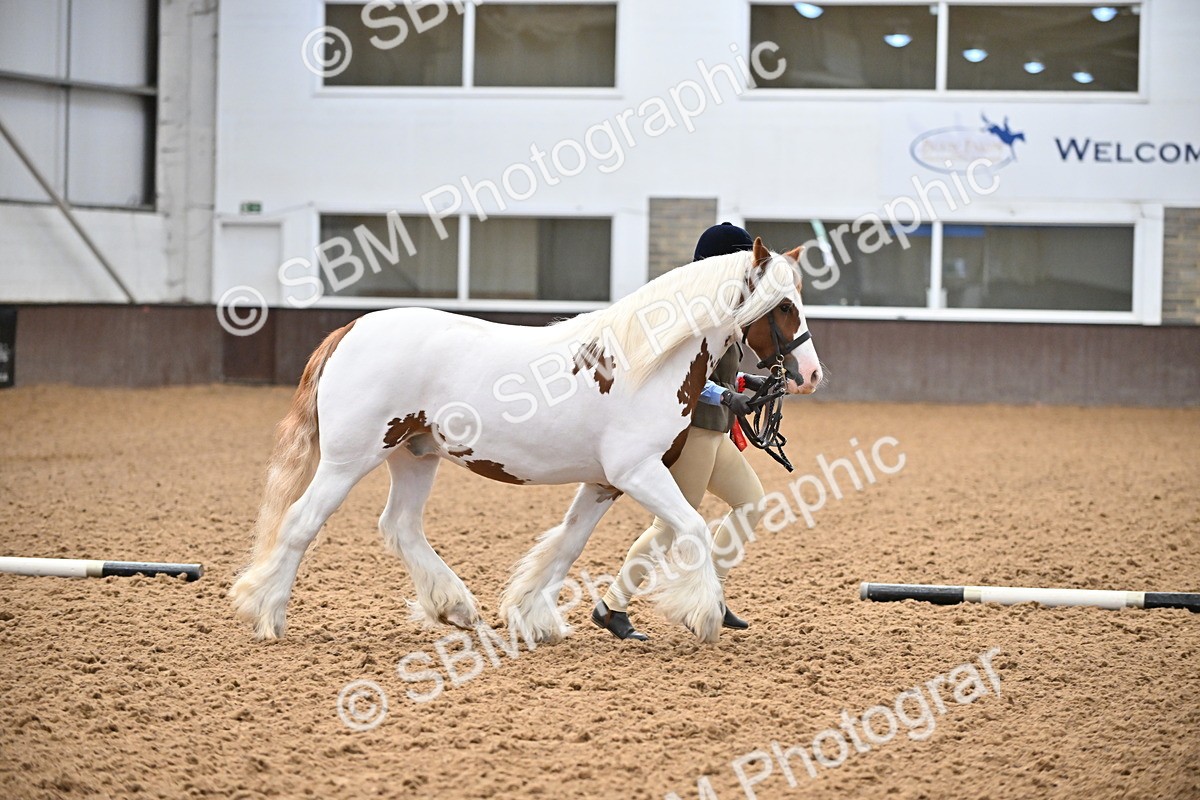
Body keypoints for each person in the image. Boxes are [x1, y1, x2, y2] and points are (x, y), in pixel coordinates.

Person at [592, 222, 791, 641]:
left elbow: (719, 371)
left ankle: (708, 592)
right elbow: (682, 377)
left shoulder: (727, 316)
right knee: (669, 526)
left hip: (714, 433)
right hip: (693, 430)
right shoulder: (692, 315)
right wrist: (723, 397)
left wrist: (743, 384)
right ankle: (613, 603)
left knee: (752, 503)